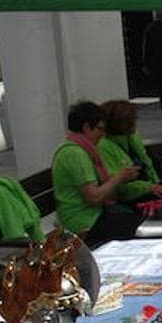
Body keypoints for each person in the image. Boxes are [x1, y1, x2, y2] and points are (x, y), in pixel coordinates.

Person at [51, 101, 144, 244]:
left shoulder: (76, 148)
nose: (103, 135)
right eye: (100, 129)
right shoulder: (75, 154)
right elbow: (93, 197)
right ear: (87, 127)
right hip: (83, 223)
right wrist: (120, 177)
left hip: (93, 216)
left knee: (142, 220)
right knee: (142, 228)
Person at [98, 99, 162, 203]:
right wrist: (148, 187)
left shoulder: (131, 137)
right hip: (133, 197)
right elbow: (118, 187)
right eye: (132, 119)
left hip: (150, 185)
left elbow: (147, 161)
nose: (135, 122)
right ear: (120, 123)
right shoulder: (103, 147)